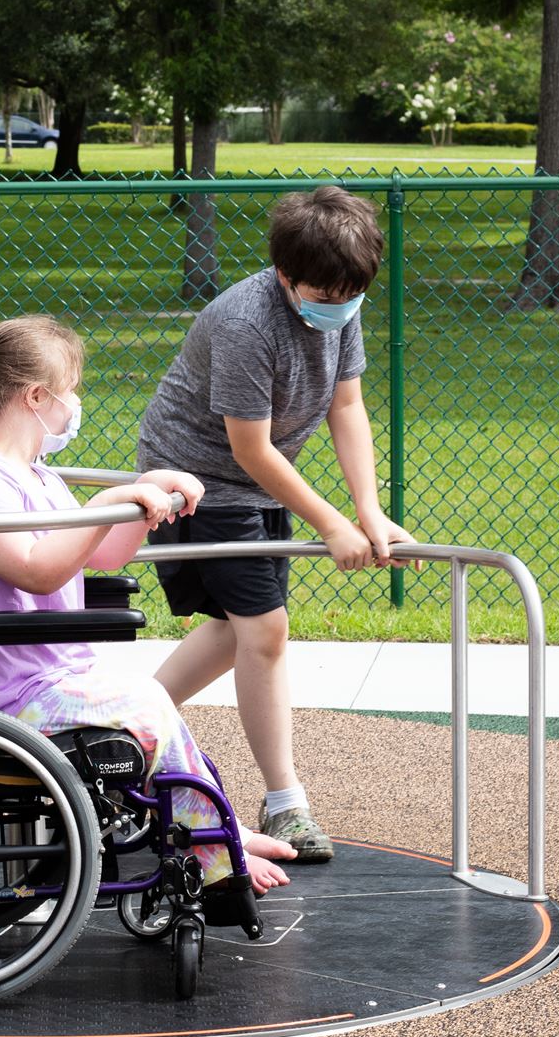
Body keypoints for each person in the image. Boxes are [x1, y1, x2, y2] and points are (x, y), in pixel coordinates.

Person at [0, 315, 294, 895]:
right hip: (3, 695)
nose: (75, 404)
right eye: (70, 389)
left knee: (148, 705)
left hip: (52, 680)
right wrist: (113, 497)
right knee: (147, 702)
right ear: (38, 396)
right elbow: (39, 570)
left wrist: (151, 493)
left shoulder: (39, 477)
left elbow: (105, 555)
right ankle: (216, 853)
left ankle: (215, 831)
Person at [135, 186, 416, 863]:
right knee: (265, 628)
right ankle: (287, 801)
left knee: (239, 630)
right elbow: (249, 448)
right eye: (323, 291)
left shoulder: (338, 307)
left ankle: (126, 724)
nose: (339, 303)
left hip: (254, 481)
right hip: (194, 479)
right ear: (286, 276)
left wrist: (368, 510)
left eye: (350, 292)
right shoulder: (245, 322)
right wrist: (328, 522)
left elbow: (347, 407)